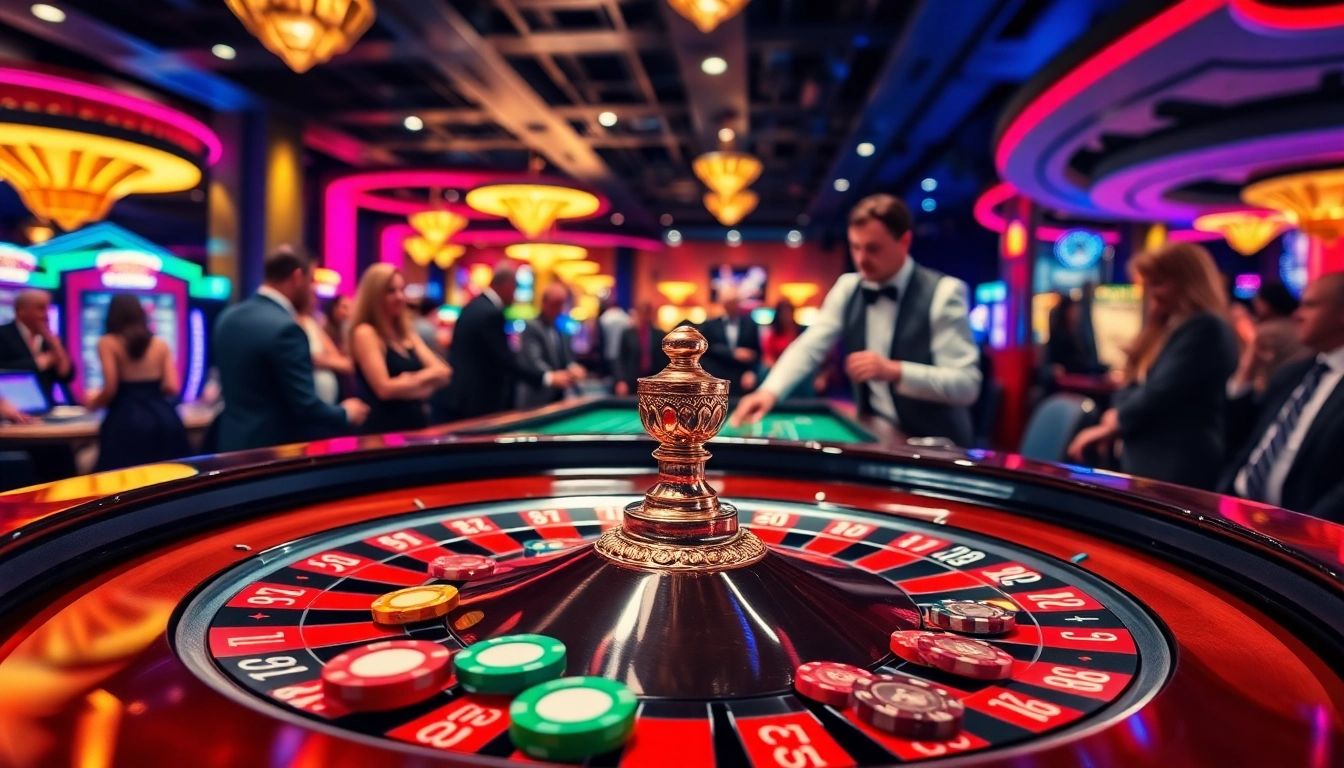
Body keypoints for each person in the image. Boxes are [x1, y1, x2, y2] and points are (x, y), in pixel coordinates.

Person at [730, 194, 981, 445]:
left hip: (939, 448)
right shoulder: (848, 287)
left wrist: (894, 370)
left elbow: (967, 385)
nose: (860, 259)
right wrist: (769, 391)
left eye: (872, 248)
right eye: (855, 247)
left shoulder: (944, 292)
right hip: (875, 435)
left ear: (904, 241)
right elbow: (810, 347)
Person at [1067, 242, 1238, 490]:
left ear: (1188, 281)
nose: (1152, 294)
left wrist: (1114, 422)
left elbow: (1160, 392)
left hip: (1178, 461)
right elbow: (1133, 384)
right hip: (1150, 458)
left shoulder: (1206, 327)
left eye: (1158, 283)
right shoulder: (1170, 326)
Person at [213, 248, 368, 452]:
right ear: (297, 277)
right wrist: (345, 413)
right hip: (274, 452)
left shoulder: (228, 317)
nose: (314, 289)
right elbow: (304, 406)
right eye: (311, 280)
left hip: (231, 445)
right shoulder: (287, 328)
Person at [1220, 273, 1344, 518]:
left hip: (1298, 535)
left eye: (1310, 305)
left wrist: (1302, 534)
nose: (1297, 315)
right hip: (1234, 510)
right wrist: (1246, 370)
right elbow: (1238, 435)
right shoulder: (1293, 373)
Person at [441, 263, 573, 421]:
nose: (515, 295)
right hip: (476, 398)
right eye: (515, 289)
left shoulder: (474, 306)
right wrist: (547, 378)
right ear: (506, 285)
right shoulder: (491, 313)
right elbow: (505, 359)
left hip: (460, 395)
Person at [84, 294, 189, 471]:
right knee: (167, 479)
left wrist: (92, 403)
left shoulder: (107, 342)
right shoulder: (160, 344)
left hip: (125, 420)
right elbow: (172, 387)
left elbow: (110, 388)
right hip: (164, 419)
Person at [349, 264, 451, 435]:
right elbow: (384, 389)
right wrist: (423, 383)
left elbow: (445, 373)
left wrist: (408, 380)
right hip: (383, 432)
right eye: (390, 291)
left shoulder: (407, 334)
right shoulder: (366, 333)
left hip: (417, 427)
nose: (399, 297)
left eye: (401, 289)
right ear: (374, 295)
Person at [1231, 281, 1310, 396]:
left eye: (1258, 302)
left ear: (1268, 304)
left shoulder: (1267, 331)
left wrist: (1233, 395)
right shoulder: (1297, 325)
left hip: (1281, 392)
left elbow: (1246, 372)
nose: (1254, 307)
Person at [516, 283, 586, 410]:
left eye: (561, 304)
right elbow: (533, 361)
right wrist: (552, 376)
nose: (559, 309)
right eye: (555, 304)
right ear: (544, 303)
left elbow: (566, 359)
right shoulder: (531, 327)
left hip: (558, 397)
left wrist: (573, 367)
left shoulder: (560, 328)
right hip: (536, 398)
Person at [0, 289, 72, 402]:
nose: (46, 315)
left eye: (48, 308)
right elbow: (4, 369)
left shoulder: (51, 340)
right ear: (20, 310)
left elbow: (66, 376)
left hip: (48, 409)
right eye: (40, 308)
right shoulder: (3, 334)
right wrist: (41, 362)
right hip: (12, 409)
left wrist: (57, 348)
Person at [699, 285, 762, 394]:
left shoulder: (750, 325)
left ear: (738, 302)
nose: (731, 306)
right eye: (728, 303)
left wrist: (751, 372)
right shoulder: (710, 325)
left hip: (743, 379)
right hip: (716, 378)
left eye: (734, 302)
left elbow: (757, 352)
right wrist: (732, 353)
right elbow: (706, 350)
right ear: (722, 303)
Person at [298, 301, 353, 405]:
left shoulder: (311, 323)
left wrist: (324, 361)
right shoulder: (290, 321)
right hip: (309, 394)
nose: (348, 311)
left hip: (331, 396)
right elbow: (308, 358)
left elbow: (343, 361)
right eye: (344, 307)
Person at [614, 300, 668, 396]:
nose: (644, 316)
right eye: (641, 312)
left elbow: (663, 360)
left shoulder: (659, 334)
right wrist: (621, 380)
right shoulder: (627, 333)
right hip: (631, 381)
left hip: (653, 380)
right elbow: (620, 358)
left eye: (646, 312)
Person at [322, 295, 357, 400]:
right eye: (344, 307)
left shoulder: (347, 330)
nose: (348, 311)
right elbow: (347, 364)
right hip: (335, 385)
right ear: (334, 308)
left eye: (350, 307)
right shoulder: (323, 329)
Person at [597, 297, 630, 380]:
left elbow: (601, 339)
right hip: (622, 353)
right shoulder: (625, 317)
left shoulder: (604, 318)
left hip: (608, 352)